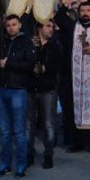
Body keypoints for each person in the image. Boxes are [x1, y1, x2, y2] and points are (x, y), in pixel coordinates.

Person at [0, 12, 36, 178]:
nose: (11, 28)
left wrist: (9, 63)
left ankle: (21, 165)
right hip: (0, 89)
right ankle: (5, 164)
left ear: (20, 25)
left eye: (14, 25)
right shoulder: (0, 41)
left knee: (18, 130)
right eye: (8, 25)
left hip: (18, 90)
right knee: (4, 130)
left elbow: (29, 64)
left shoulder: (26, 42)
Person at [55, 0, 90, 153]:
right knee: (75, 109)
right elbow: (59, 18)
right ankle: (77, 142)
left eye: (88, 10)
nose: (85, 13)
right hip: (74, 78)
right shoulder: (73, 27)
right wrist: (64, 6)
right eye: (82, 10)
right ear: (78, 12)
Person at [26, 19, 61, 169]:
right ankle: (29, 153)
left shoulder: (55, 45)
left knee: (48, 123)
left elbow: (59, 64)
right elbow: (25, 62)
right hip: (31, 88)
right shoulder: (31, 44)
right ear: (39, 28)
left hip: (48, 90)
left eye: (52, 26)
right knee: (29, 124)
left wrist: (46, 68)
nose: (51, 29)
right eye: (48, 26)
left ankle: (48, 154)